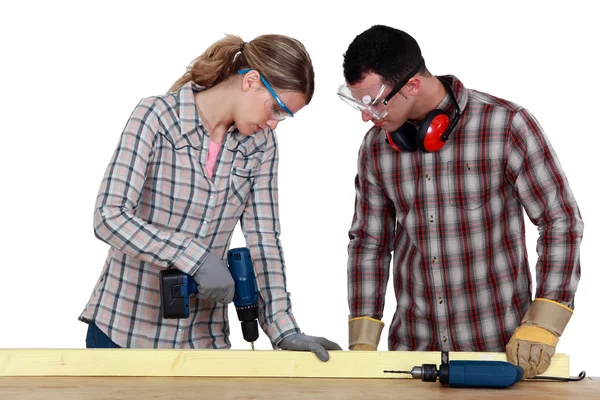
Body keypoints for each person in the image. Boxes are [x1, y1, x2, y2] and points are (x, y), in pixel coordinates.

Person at [338, 25, 582, 378]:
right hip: (414, 357)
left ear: (412, 85)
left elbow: (560, 220)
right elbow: (369, 244)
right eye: (357, 103)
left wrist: (544, 322)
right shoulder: (376, 148)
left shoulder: (505, 125)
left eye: (373, 103)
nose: (366, 116)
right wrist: (362, 340)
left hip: (501, 352)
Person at [79, 33, 341, 361]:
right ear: (251, 81)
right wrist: (194, 257)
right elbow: (109, 217)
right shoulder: (157, 117)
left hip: (203, 343)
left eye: (283, 116)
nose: (274, 124)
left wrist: (283, 328)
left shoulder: (260, 146)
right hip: (124, 331)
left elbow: (264, 241)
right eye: (276, 109)